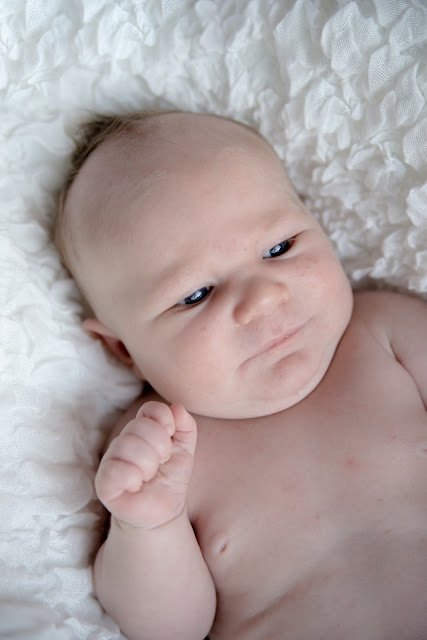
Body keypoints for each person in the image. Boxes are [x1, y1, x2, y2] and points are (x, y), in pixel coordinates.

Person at [54, 110, 427, 640]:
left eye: (279, 248)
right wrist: (147, 526)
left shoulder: (386, 331)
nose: (262, 299)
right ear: (123, 349)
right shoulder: (160, 450)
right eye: (196, 294)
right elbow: (172, 630)